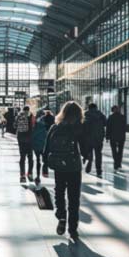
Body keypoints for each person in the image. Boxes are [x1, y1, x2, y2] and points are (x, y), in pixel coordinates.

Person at [43, 101, 84, 240]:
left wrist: (44, 165)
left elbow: (47, 147)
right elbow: (85, 148)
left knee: (59, 191)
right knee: (74, 198)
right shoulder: (79, 128)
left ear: (63, 113)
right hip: (74, 166)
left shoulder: (55, 127)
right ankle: (73, 229)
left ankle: (61, 215)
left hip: (59, 166)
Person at [83, 103, 106, 177]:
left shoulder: (85, 114)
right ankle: (98, 170)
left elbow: (82, 126)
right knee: (98, 154)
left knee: (89, 153)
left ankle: (88, 166)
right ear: (96, 107)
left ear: (88, 108)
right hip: (99, 138)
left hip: (88, 138)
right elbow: (105, 123)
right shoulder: (100, 114)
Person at [15, 106, 35, 183]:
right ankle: (29, 173)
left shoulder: (18, 116)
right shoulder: (31, 116)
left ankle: (22, 175)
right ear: (28, 110)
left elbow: (15, 125)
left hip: (20, 138)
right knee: (30, 157)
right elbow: (34, 126)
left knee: (22, 157)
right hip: (29, 138)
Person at [106, 105, 127, 171]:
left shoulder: (110, 117)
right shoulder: (123, 117)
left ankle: (116, 163)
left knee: (114, 151)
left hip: (113, 137)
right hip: (121, 137)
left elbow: (108, 128)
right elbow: (124, 127)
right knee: (120, 151)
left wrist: (107, 137)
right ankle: (118, 163)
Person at [31, 110, 48, 184]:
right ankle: (44, 171)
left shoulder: (33, 127)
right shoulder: (42, 125)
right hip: (42, 145)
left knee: (38, 160)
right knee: (43, 159)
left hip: (37, 145)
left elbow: (32, 136)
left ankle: (38, 176)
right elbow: (45, 135)